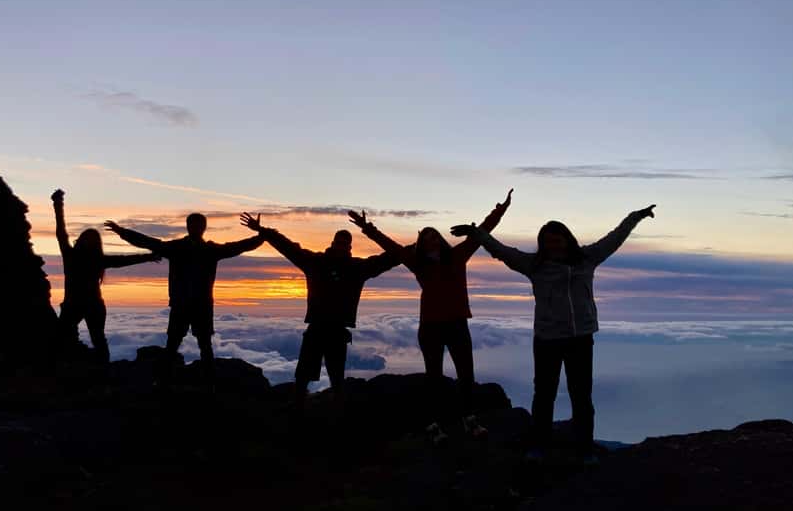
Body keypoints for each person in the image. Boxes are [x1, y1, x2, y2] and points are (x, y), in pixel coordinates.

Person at [451, 201, 657, 460]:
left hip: (580, 338)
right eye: (547, 242)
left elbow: (614, 238)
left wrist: (635, 217)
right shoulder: (534, 265)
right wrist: (477, 234)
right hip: (547, 339)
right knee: (544, 394)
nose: (553, 245)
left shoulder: (587, 258)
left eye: (557, 240)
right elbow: (502, 251)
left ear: (567, 239)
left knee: (581, 395)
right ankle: (540, 444)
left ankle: (584, 448)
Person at [348, 191, 514, 444]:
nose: (431, 241)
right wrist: (366, 228)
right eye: (426, 239)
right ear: (422, 244)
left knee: (466, 375)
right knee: (433, 377)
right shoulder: (418, 263)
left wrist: (501, 209)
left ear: (440, 239)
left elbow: (482, 231)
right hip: (431, 326)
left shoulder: (458, 255)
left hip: (457, 323)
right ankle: (434, 425)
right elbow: (391, 247)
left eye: (434, 236)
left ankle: (469, 419)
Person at [240, 212, 400, 413]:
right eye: (339, 243)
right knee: (307, 375)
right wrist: (263, 230)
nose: (341, 246)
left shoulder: (352, 267)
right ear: (334, 244)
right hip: (320, 329)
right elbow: (288, 247)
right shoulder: (327, 263)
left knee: (332, 377)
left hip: (332, 331)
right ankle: (304, 409)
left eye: (344, 244)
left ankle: (324, 412)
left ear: (348, 247)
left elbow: (391, 258)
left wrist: (414, 246)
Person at [104, 212, 263, 384]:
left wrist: (262, 233)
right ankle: (171, 382)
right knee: (177, 344)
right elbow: (148, 242)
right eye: (193, 224)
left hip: (197, 306)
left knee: (200, 345)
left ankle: (203, 384)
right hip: (186, 305)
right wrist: (122, 232)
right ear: (190, 227)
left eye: (198, 225)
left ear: (203, 227)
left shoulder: (205, 250)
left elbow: (240, 246)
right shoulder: (188, 249)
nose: (195, 228)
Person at [52, 189, 159, 363]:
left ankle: (101, 370)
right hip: (76, 305)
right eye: (87, 238)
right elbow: (61, 232)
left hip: (88, 305)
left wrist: (148, 257)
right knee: (68, 337)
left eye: (91, 239)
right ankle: (78, 367)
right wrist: (58, 205)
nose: (88, 241)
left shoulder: (94, 259)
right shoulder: (72, 255)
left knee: (96, 339)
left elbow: (124, 260)